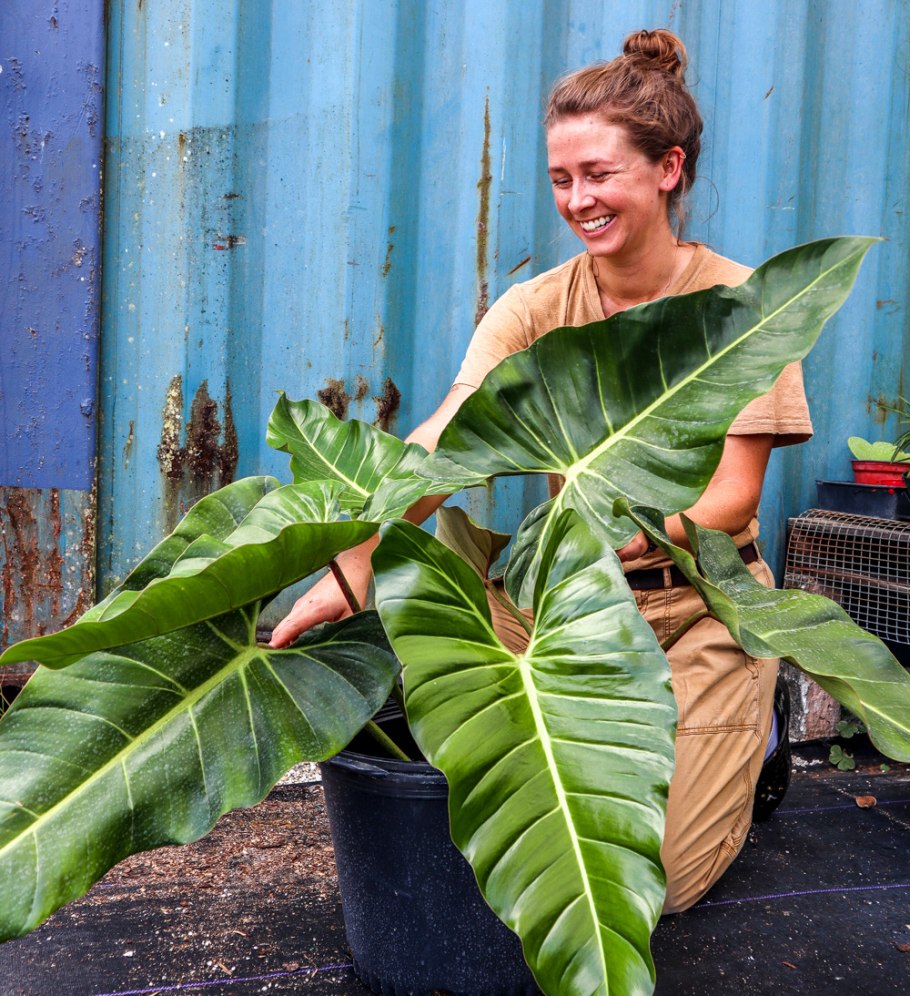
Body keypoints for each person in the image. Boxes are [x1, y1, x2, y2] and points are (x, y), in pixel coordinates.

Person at [270, 28, 812, 913]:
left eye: (599, 174)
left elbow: (730, 498)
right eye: (562, 179)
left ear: (668, 168)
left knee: (649, 889)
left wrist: (609, 535)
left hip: (698, 599)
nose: (577, 200)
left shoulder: (738, 310)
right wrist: (354, 563)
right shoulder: (535, 309)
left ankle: (752, 737)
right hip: (563, 605)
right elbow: (448, 443)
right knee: (517, 843)